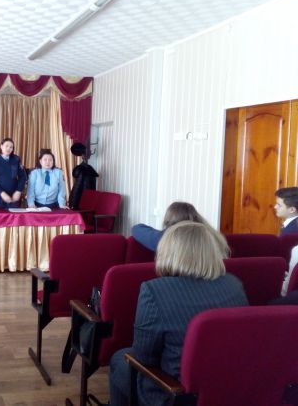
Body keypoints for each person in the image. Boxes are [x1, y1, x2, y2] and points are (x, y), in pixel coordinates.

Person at [108, 221, 248, 406]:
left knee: (119, 358)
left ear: (168, 252)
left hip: (175, 394)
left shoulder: (154, 290)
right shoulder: (234, 284)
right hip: (224, 391)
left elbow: (143, 357)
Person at [131, 201, 208, 251]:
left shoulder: (165, 239)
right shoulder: (208, 238)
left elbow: (136, 229)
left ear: (168, 220)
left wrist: (162, 232)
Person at [0, 137, 27, 208]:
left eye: (11, 147)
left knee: (14, 214)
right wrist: (1, 193)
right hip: (0, 196)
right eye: (6, 146)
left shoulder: (16, 159)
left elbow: (23, 177)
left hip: (14, 196)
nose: (9, 148)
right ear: (1, 146)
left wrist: (18, 191)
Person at [68, 142, 99, 209]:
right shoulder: (84, 170)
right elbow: (81, 188)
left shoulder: (85, 169)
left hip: (83, 202)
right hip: (84, 203)